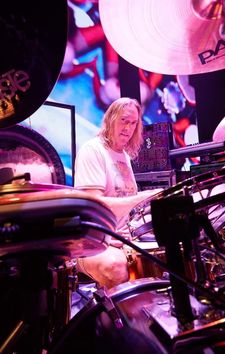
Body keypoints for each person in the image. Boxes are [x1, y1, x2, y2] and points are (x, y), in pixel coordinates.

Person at [74, 97, 162, 288]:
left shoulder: (123, 156)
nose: (128, 128)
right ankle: (111, 317)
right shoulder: (93, 150)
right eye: (124, 120)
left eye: (133, 123)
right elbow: (92, 207)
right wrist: (141, 198)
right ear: (111, 119)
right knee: (117, 267)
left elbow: (124, 204)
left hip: (122, 237)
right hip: (92, 240)